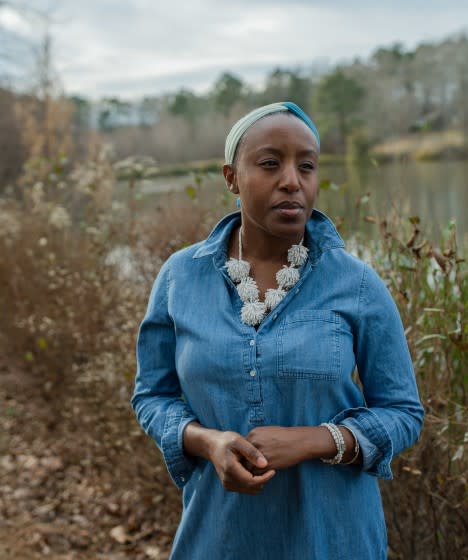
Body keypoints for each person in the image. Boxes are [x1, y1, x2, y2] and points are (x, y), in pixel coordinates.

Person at [131, 102, 424, 559]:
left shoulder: (357, 285)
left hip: (333, 540)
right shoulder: (180, 278)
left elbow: (404, 412)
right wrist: (208, 442)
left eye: (306, 166)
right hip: (218, 538)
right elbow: (152, 396)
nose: (292, 180)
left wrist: (314, 440)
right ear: (231, 177)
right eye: (270, 163)